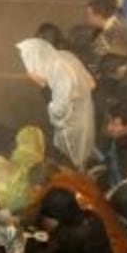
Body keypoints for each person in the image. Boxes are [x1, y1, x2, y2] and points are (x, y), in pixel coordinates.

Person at [16, 37, 98, 170]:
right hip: (85, 111)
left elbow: (58, 112)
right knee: (85, 141)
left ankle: (78, 168)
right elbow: (91, 83)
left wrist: (43, 85)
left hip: (72, 122)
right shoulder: (65, 55)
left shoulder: (60, 77)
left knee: (72, 151)